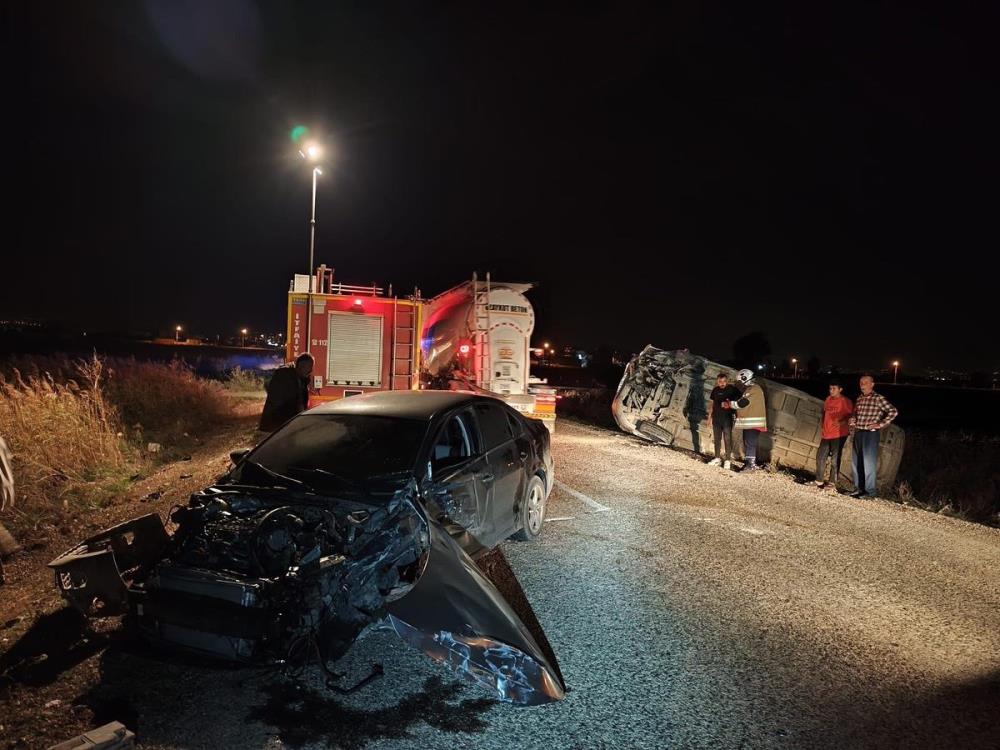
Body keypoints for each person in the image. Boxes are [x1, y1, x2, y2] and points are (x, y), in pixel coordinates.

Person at [848, 374, 898, 498]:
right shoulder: (859, 398)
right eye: (860, 382)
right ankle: (858, 489)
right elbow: (855, 413)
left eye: (865, 382)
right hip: (858, 432)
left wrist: (880, 424)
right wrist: (853, 419)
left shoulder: (878, 398)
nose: (862, 384)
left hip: (870, 435)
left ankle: (870, 492)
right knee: (856, 462)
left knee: (868, 463)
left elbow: (893, 411)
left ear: (872, 384)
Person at [259, 353, 314, 432]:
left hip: (287, 426)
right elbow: (283, 403)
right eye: (310, 367)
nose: (311, 370)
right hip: (278, 426)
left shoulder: (301, 380)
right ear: (302, 365)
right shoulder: (285, 377)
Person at [815, 381, 854, 488]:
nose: (831, 390)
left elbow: (851, 415)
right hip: (826, 434)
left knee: (835, 459)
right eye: (830, 388)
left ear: (840, 389)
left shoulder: (845, 401)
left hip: (839, 434)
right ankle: (819, 481)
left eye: (834, 388)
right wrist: (823, 424)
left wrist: (841, 422)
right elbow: (824, 413)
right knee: (820, 457)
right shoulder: (828, 399)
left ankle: (832, 483)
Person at [730, 368, 768, 470]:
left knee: (750, 443)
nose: (740, 383)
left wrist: (729, 404)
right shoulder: (752, 389)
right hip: (750, 423)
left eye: (740, 381)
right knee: (748, 442)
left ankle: (750, 466)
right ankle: (748, 463)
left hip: (753, 423)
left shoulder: (754, 389)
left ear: (744, 378)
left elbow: (742, 403)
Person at [707, 371, 741, 469]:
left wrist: (736, 413)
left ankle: (727, 461)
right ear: (717, 381)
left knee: (727, 439)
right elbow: (711, 404)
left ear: (727, 381)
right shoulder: (715, 390)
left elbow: (741, 400)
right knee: (717, 439)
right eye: (720, 381)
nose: (722, 383)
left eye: (724, 381)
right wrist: (709, 418)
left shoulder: (732, 389)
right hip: (716, 418)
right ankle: (717, 458)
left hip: (727, 418)